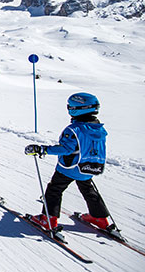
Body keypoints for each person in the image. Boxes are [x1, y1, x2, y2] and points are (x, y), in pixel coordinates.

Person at [24, 93, 110, 231]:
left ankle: (48, 219)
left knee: (54, 189)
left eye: (70, 106)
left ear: (76, 108)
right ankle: (99, 217)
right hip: (89, 167)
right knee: (88, 190)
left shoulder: (74, 129)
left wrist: (43, 150)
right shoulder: (99, 129)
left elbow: (65, 149)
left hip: (70, 168)